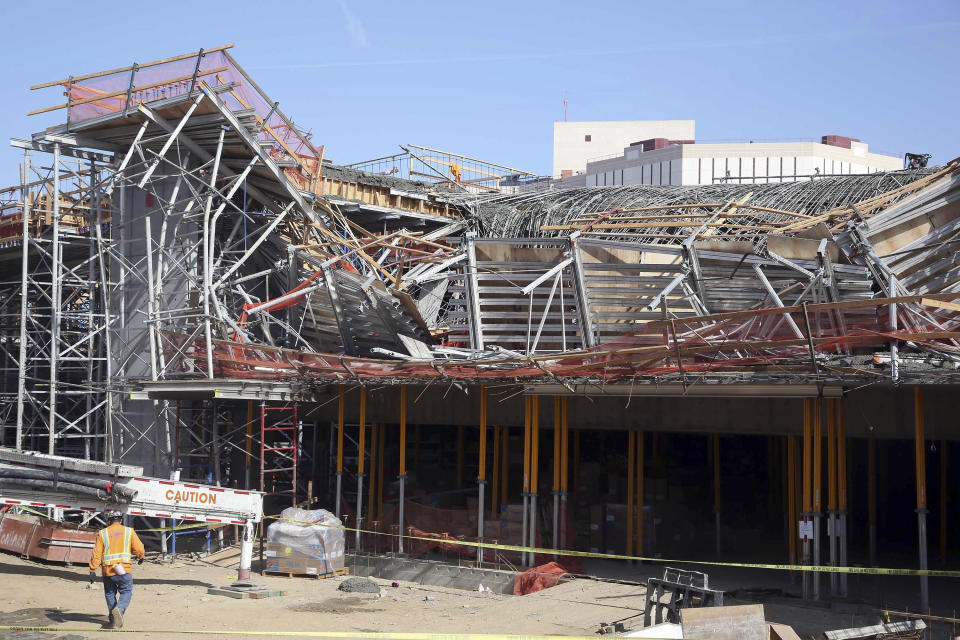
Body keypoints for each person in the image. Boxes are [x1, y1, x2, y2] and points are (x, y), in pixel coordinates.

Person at [88, 509, 145, 629]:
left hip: (108, 571)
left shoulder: (102, 533)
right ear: (121, 519)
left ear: (109, 520)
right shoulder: (129, 531)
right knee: (126, 591)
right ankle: (119, 609)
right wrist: (141, 556)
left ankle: (113, 618)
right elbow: (139, 548)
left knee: (110, 593)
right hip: (123, 569)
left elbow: (97, 553)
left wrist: (92, 569)